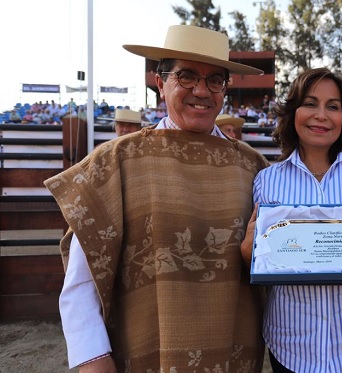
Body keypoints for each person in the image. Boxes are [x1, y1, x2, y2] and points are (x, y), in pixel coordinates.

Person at [44, 25, 268, 372]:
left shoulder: (253, 167)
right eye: (187, 76)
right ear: (161, 83)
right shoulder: (116, 162)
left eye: (215, 80)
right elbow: (81, 280)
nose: (201, 90)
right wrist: (93, 358)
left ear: (225, 88)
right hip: (145, 352)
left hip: (234, 354)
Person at [240, 67, 342, 373]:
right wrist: (250, 251)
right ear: (293, 111)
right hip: (291, 344)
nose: (321, 115)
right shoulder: (266, 180)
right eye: (310, 103)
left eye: (333, 106)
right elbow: (261, 260)